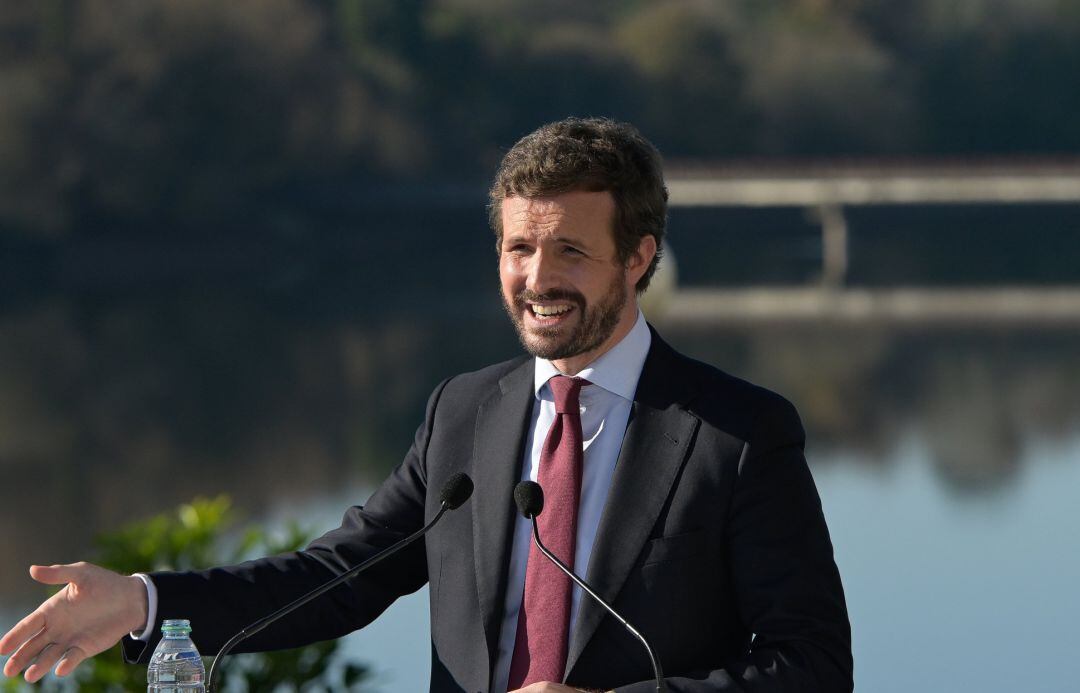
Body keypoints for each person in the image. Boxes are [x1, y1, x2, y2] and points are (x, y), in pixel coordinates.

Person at [1, 118, 853, 692]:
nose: (538, 277)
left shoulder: (737, 433)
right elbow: (338, 576)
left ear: (638, 256)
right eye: (518, 246)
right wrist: (143, 602)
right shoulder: (464, 412)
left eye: (570, 250)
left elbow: (811, 665)